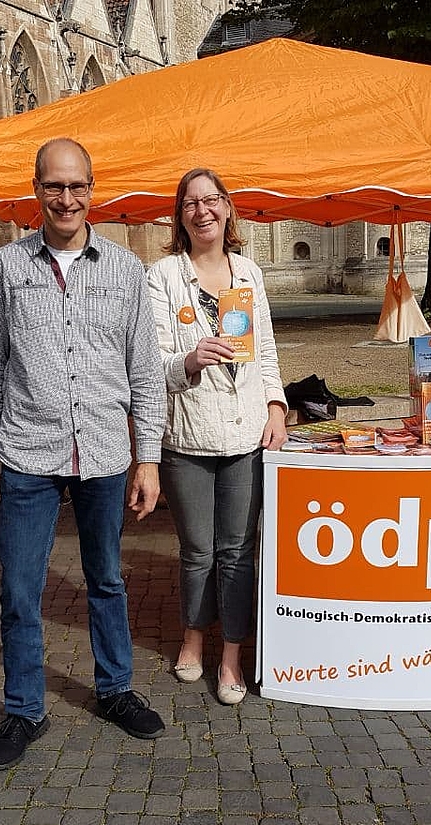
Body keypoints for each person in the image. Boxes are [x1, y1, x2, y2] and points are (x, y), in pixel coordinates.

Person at [0, 137, 168, 770]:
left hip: (106, 454)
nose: (66, 197)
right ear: (37, 190)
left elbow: (143, 370)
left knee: (106, 578)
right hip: (26, 452)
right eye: (54, 186)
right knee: (20, 588)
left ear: (92, 190)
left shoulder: (125, 270)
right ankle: (24, 709)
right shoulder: (7, 268)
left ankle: (115, 689)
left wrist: (149, 458)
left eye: (77, 185)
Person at [146, 168, 288, 705]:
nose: (202, 211)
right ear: (179, 215)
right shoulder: (161, 277)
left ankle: (231, 656)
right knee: (197, 551)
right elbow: (150, 361)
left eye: (211, 201)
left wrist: (276, 405)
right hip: (187, 436)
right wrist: (188, 360)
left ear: (227, 209)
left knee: (238, 552)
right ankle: (192, 639)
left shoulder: (248, 273)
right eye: (190, 203)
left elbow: (268, 351)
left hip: (245, 435)